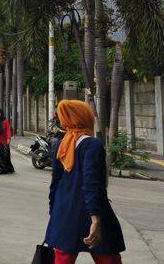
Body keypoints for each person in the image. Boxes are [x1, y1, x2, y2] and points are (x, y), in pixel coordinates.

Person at [44, 100, 125, 264]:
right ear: (85, 117)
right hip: (92, 210)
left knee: (63, 258)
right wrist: (95, 218)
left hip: (65, 212)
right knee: (108, 258)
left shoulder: (62, 144)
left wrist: (55, 213)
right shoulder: (92, 145)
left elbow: (56, 183)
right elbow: (91, 183)